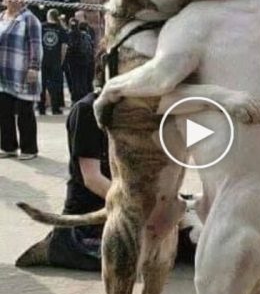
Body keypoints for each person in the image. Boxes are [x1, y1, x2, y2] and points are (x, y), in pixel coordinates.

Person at [15, 91, 197, 270]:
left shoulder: (141, 110)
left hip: (133, 200)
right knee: (170, 247)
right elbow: (92, 179)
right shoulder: (87, 111)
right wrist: (143, 207)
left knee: (194, 222)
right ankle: (58, 246)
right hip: (99, 211)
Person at [0, 0, 42, 160]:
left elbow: (36, 46)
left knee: (25, 114)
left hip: (23, 74)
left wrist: (34, 67)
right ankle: (8, 147)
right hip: (3, 75)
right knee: (4, 113)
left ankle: (29, 149)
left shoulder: (29, 18)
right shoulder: (1, 18)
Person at [38, 8, 67, 115]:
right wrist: (61, 61)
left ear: (48, 16)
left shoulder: (41, 27)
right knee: (55, 85)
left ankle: (41, 108)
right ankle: (55, 108)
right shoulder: (61, 29)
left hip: (42, 60)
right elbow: (64, 47)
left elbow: (36, 44)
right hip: (55, 61)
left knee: (42, 84)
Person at [63, 17, 93, 103]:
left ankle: (75, 98)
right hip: (84, 60)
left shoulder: (68, 34)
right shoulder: (85, 35)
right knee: (83, 80)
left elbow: (67, 48)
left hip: (72, 61)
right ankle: (84, 97)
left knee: (74, 80)